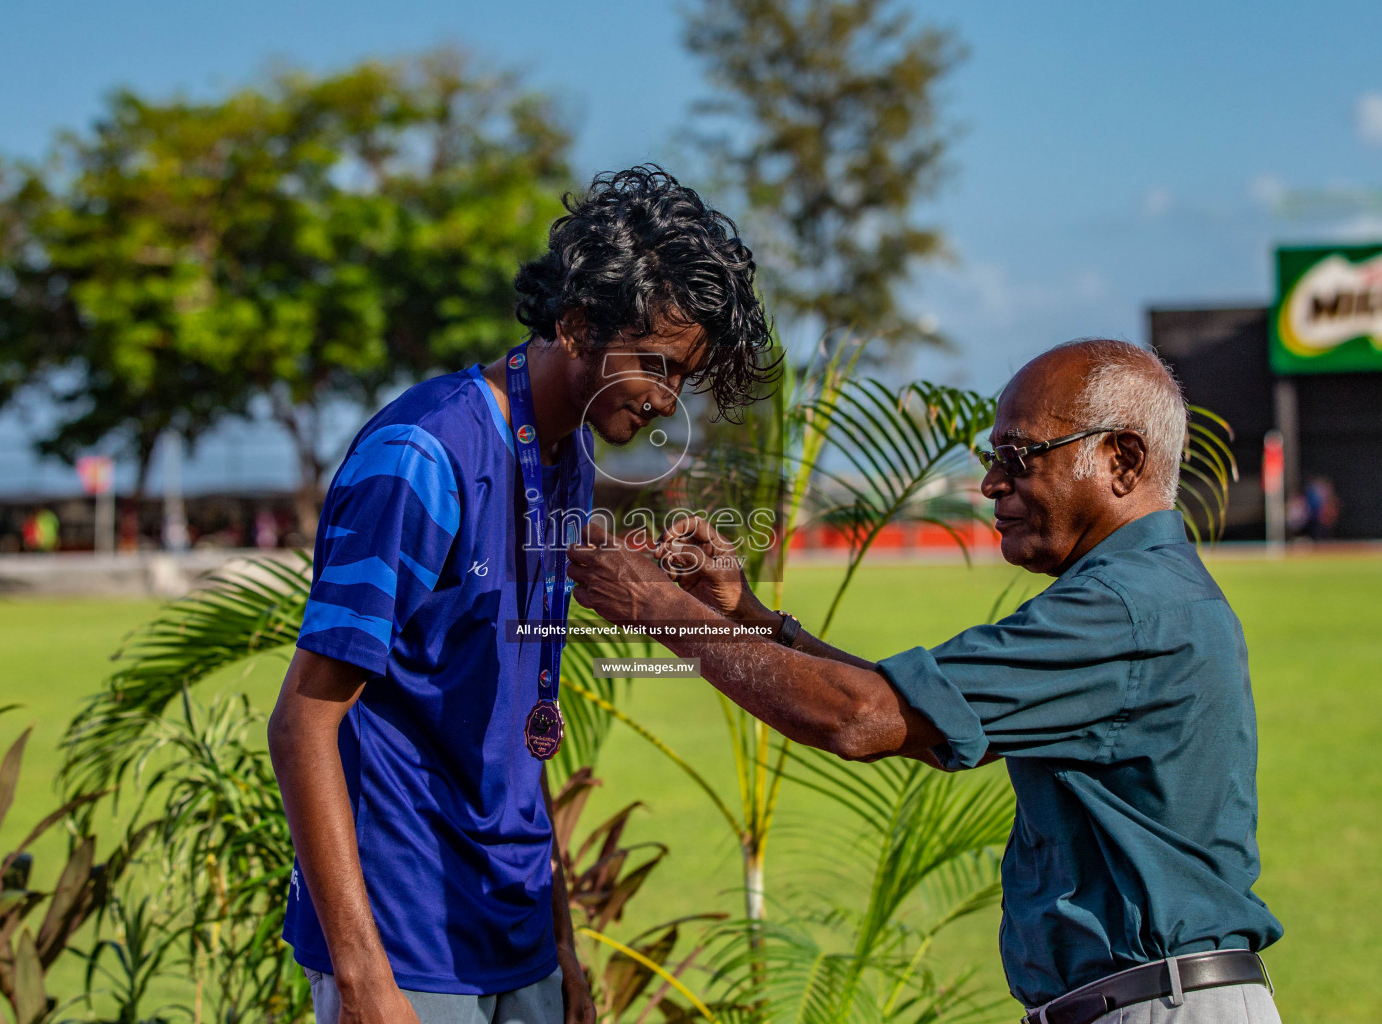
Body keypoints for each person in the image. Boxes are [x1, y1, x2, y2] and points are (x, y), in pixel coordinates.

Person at [566, 339, 1284, 1024]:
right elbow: (915, 708)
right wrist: (751, 617)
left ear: (1122, 459)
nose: (991, 482)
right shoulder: (1139, 597)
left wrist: (651, 604)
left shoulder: (1124, 611)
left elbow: (861, 719)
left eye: (1019, 455)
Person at [268, 165, 774, 1024]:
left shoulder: (566, 454)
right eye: (655, 365)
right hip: (408, 945)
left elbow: (518, 718)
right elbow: (303, 720)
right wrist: (362, 979)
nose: (665, 402)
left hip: (517, 938)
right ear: (576, 327)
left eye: (684, 378)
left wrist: (563, 946)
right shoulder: (423, 456)